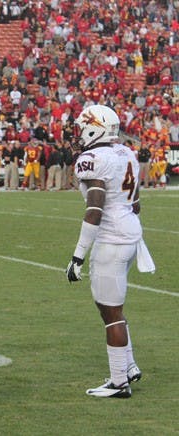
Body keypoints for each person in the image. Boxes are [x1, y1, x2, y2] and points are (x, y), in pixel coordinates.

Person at [66, 104, 152, 399]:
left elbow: (94, 209)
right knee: (111, 307)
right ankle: (128, 367)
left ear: (95, 127)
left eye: (82, 127)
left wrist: (78, 255)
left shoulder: (92, 158)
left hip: (112, 238)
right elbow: (136, 202)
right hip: (130, 233)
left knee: (110, 312)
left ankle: (119, 383)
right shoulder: (127, 153)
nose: (79, 133)